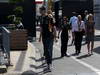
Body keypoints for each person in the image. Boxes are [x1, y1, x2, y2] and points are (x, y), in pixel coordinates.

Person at [39, 6, 56, 72]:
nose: (40, 12)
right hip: (44, 36)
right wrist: (40, 37)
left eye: (40, 10)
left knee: (49, 50)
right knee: (46, 50)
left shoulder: (49, 17)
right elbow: (41, 28)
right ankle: (48, 62)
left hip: (50, 36)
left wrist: (55, 36)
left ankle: (49, 64)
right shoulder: (41, 18)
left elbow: (54, 27)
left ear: (43, 10)